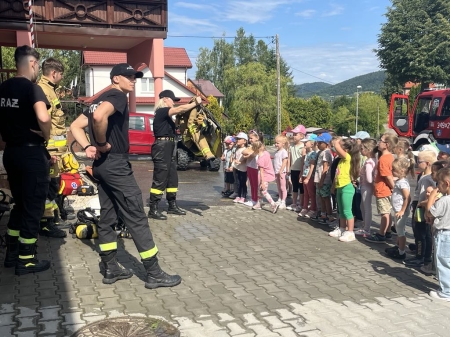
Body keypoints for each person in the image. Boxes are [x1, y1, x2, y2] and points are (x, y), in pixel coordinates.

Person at [70, 64, 181, 288]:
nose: (133, 80)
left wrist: (88, 147)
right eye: (129, 77)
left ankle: (111, 268)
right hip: (115, 164)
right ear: (116, 78)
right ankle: (154, 272)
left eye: (135, 77)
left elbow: (76, 125)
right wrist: (99, 144)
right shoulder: (117, 96)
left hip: (102, 166)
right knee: (136, 214)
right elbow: (100, 117)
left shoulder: (98, 100)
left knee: (108, 217)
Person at [0, 46, 52, 275]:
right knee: (33, 207)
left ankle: (11, 254)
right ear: (32, 63)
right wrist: (47, 135)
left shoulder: (2, 88)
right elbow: (43, 116)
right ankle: (27, 260)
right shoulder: (32, 88)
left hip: (11, 153)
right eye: (38, 66)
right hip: (31, 154)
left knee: (20, 204)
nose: (38, 70)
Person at [148, 90, 202, 220]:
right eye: (173, 100)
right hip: (162, 147)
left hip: (170, 146)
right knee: (160, 177)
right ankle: (153, 209)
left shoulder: (167, 117)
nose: (174, 102)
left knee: (172, 177)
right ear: (165, 99)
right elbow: (181, 109)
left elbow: (181, 115)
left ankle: (172, 206)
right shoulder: (162, 111)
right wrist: (195, 103)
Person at [37, 58, 69, 239]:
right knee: (49, 187)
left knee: (52, 185)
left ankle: (48, 220)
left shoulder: (50, 90)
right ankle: (46, 224)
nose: (62, 77)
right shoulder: (44, 91)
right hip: (50, 152)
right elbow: (45, 122)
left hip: (54, 152)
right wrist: (48, 152)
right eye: (61, 74)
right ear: (54, 73)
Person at [403, 150, 437, 267]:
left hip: (422, 207)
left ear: (427, 163)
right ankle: (424, 255)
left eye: (419, 161)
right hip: (419, 205)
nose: (417, 162)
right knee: (422, 232)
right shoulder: (423, 175)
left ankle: (421, 257)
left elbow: (430, 194)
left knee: (420, 233)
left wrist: (421, 204)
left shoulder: (428, 178)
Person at [365, 133, 398, 243]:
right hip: (386, 189)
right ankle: (387, 232)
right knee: (387, 212)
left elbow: (387, 176)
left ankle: (381, 234)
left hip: (383, 189)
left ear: (387, 145)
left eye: (381, 141)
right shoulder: (390, 157)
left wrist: (394, 188)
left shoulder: (384, 159)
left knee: (384, 213)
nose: (379, 142)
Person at [328, 137, 361, 242]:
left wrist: (338, 140)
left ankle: (350, 232)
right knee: (341, 210)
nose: (336, 149)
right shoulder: (341, 160)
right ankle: (342, 229)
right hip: (339, 186)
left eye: (340, 147)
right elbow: (337, 174)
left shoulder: (347, 157)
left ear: (345, 150)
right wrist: (333, 186)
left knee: (347, 211)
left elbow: (336, 146)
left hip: (347, 187)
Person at [426, 167, 450, 301]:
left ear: (447, 183)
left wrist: (432, 197)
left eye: (439, 184)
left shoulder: (444, 200)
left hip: (444, 235)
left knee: (443, 263)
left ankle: (446, 292)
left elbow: (430, 213)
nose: (438, 187)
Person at [384, 158, 413, 260]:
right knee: (399, 230)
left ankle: (401, 252)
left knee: (400, 232)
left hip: (401, 211)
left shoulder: (403, 183)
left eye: (394, 170)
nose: (392, 172)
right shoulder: (400, 180)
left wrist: (402, 210)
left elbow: (407, 198)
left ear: (401, 171)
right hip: (398, 210)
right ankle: (398, 247)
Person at [355, 138, 377, 237]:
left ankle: (366, 229)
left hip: (366, 187)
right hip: (367, 187)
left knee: (366, 208)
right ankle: (365, 227)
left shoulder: (368, 162)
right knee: (363, 207)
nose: (361, 150)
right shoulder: (374, 160)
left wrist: (361, 175)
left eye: (362, 148)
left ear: (368, 149)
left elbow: (369, 178)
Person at [251, 141, 278, 213]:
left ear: (256, 149)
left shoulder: (260, 159)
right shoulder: (266, 153)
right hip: (269, 173)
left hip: (265, 176)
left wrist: (262, 182)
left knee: (263, 190)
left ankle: (273, 204)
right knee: (259, 190)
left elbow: (262, 172)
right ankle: (259, 203)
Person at [315, 133, 334, 225]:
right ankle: (323, 214)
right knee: (322, 198)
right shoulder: (322, 152)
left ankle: (330, 216)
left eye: (320, 142)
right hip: (319, 179)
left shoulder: (326, 153)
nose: (317, 144)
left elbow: (325, 168)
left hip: (324, 180)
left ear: (326, 143)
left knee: (326, 198)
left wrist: (321, 181)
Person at [287, 125, 306, 212]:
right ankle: (294, 203)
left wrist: (302, 171)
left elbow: (303, 160)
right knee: (294, 186)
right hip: (293, 169)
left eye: (296, 134)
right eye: (293, 134)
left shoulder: (303, 146)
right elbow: (289, 158)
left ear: (302, 136)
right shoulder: (291, 146)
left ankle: (301, 204)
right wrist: (288, 169)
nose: (294, 136)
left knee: (301, 188)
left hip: (300, 170)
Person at [298, 134, 317, 218]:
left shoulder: (313, 154)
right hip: (305, 175)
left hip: (310, 177)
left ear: (312, 144)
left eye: (306, 142)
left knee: (311, 193)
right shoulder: (307, 153)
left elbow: (312, 166)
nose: (304, 143)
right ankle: (305, 207)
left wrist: (308, 178)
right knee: (306, 193)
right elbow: (304, 165)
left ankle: (313, 209)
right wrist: (302, 175)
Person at [242, 130, 263, 207]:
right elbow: (244, 152)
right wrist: (249, 154)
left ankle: (257, 200)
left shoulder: (259, 146)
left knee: (256, 185)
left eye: (251, 138)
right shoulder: (251, 146)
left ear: (257, 138)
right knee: (252, 184)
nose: (250, 140)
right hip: (250, 166)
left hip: (256, 167)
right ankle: (253, 199)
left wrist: (249, 155)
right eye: (249, 138)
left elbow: (254, 154)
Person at [232, 132, 249, 203]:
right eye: (237, 139)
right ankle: (238, 195)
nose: (237, 140)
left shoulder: (245, 149)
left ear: (244, 141)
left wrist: (241, 162)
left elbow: (246, 158)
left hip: (243, 169)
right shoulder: (237, 149)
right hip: (237, 168)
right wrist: (234, 161)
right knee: (238, 182)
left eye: (239, 139)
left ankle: (243, 196)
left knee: (243, 183)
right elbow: (235, 157)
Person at [273, 134, 289, 209]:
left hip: (281, 172)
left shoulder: (284, 152)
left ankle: (283, 201)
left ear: (283, 143)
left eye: (278, 143)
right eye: (275, 143)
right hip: (276, 172)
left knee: (283, 187)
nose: (276, 144)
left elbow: (285, 161)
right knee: (278, 186)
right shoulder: (276, 152)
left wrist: (281, 170)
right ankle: (279, 198)